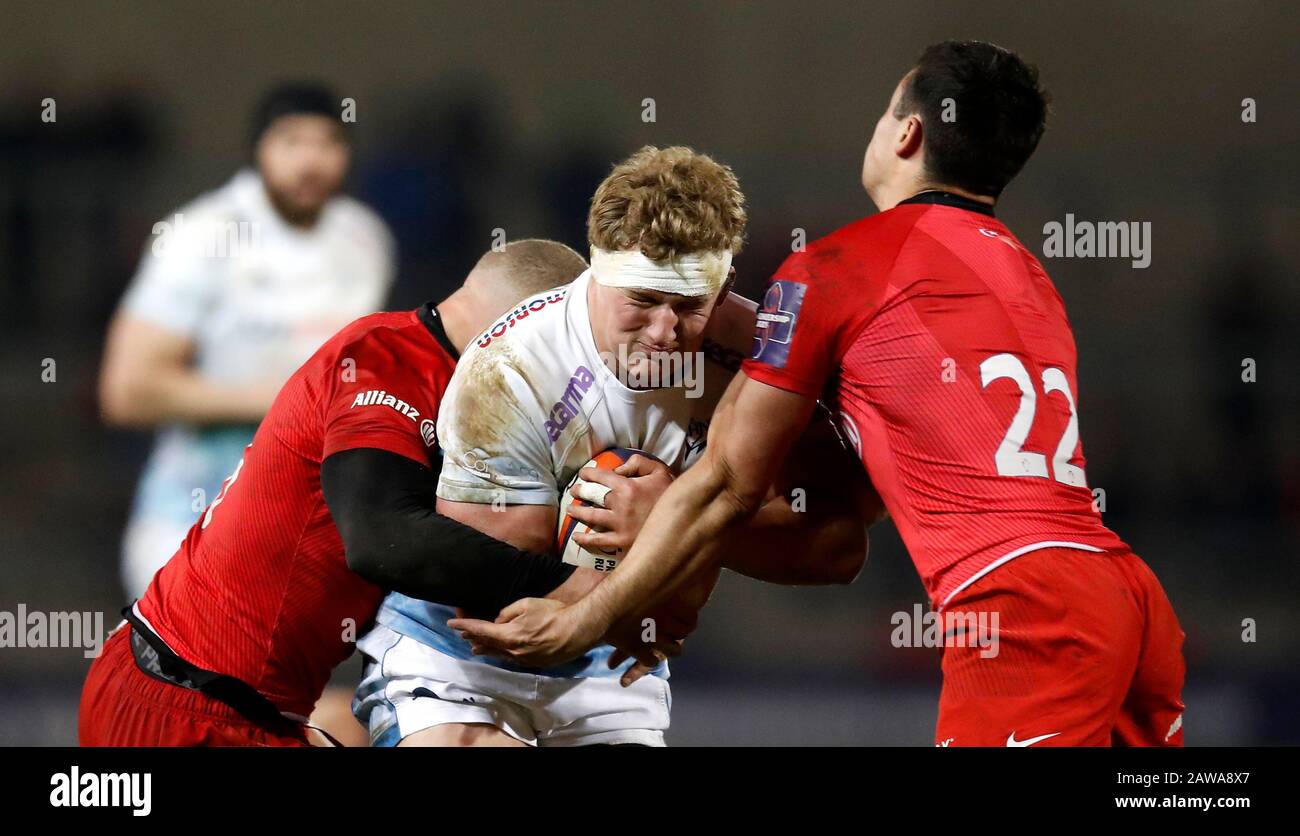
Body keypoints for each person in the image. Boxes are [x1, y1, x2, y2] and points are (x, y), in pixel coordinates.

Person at [453, 42, 1187, 748]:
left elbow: (725, 489)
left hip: (1023, 604)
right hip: (1127, 594)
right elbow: (844, 521)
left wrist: (589, 617)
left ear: (907, 133)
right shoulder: (1029, 280)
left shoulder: (835, 269)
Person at [355, 146, 878, 747]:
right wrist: (675, 561)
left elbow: (838, 550)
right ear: (597, 273)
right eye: (642, 300)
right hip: (460, 659)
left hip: (612, 664)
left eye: (688, 307)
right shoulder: (510, 369)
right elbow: (507, 596)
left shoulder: (760, 360)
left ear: (726, 284)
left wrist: (672, 518)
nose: (662, 334)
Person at [79, 240, 589, 746]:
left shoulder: (433, 373)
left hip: (224, 701)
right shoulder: (384, 363)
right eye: (564, 346)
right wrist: (577, 589)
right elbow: (382, 539)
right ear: (531, 323)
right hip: (183, 709)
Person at [101, 82, 395, 598]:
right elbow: (127, 391)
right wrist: (288, 401)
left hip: (312, 530)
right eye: (292, 141)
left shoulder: (365, 239)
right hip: (194, 523)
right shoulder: (202, 234)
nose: (311, 160)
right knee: (206, 677)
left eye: (328, 142)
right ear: (259, 147)